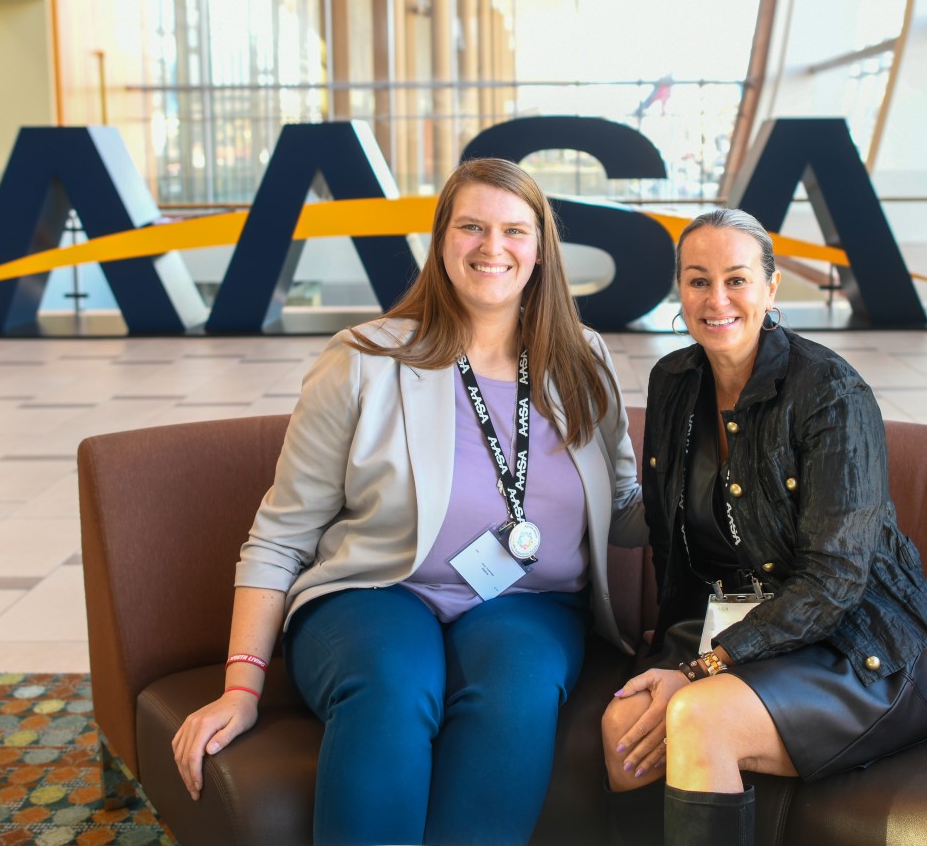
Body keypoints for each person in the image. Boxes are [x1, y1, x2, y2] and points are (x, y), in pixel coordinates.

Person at [172, 157, 646, 846]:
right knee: (394, 683)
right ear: (441, 240)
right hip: (376, 590)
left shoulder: (584, 361)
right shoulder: (364, 359)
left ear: (540, 249)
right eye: (472, 227)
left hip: (528, 602)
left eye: (514, 230)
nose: (492, 247)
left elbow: (628, 508)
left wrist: (728, 478)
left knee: (518, 691)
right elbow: (279, 534)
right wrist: (240, 687)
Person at [600, 208, 927, 845]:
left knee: (699, 718)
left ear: (772, 288)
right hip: (742, 633)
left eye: (737, 279)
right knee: (623, 729)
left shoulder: (831, 394)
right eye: (697, 280)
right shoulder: (674, 381)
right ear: (678, 290)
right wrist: (669, 651)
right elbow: (671, 541)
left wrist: (699, 669)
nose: (716, 300)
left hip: (864, 646)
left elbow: (834, 584)